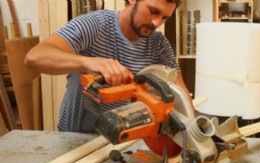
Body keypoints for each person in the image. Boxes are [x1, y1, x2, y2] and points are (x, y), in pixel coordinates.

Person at [25, 0, 191, 133]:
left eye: (164, 18)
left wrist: (195, 130)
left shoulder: (158, 43)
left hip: (120, 137)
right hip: (75, 136)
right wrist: (89, 61)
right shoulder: (96, 24)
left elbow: (180, 92)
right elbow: (35, 57)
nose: (156, 22)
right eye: (153, 11)